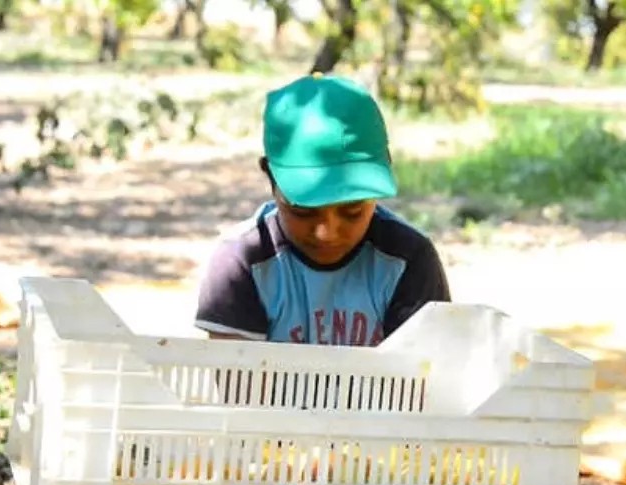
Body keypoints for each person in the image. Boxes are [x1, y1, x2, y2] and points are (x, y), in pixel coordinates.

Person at [193, 72, 451, 346]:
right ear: (270, 177)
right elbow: (240, 382)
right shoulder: (241, 262)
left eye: (352, 210)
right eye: (303, 211)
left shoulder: (408, 261)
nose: (327, 233)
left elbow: (421, 378)